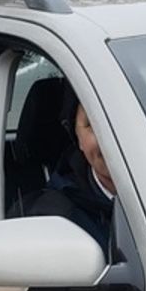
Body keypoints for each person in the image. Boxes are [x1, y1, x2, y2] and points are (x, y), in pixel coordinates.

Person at [30, 100, 117, 255]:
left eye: (122, 121)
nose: (112, 138)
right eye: (93, 124)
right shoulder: (57, 220)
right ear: (78, 138)